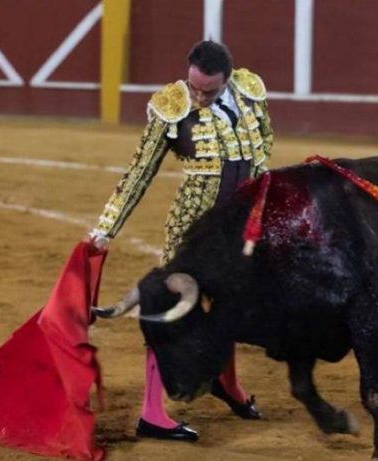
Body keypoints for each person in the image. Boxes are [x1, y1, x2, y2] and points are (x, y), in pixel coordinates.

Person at [89, 40, 273, 442]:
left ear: (227, 78)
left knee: (234, 306)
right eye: (194, 87)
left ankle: (228, 385)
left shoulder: (250, 92)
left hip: (241, 225)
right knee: (169, 309)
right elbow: (140, 172)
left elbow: (264, 156)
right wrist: (105, 229)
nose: (199, 96)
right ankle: (151, 413)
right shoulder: (171, 107)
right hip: (192, 226)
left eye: (209, 90)